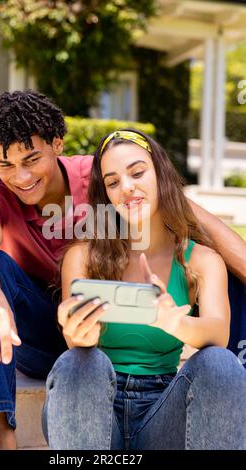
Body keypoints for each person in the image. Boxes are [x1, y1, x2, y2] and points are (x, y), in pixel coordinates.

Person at [0, 91, 246, 450]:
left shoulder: (99, 177)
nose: (21, 176)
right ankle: (1, 432)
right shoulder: (6, 203)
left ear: (57, 144)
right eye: (6, 164)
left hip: (138, 366)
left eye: (31, 158)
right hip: (58, 338)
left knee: (222, 349)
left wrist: (175, 321)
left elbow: (189, 216)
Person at [42, 129, 246, 450]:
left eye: (137, 173)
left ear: (160, 175)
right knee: (78, 362)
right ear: (105, 194)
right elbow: (74, 342)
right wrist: (78, 331)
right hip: (96, 407)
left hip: (164, 410)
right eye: (112, 182)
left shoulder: (202, 260)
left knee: (220, 365)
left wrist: (174, 322)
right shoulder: (82, 256)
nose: (126, 187)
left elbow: (218, 334)